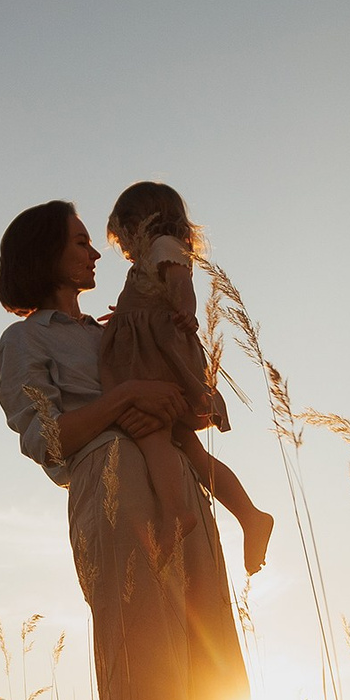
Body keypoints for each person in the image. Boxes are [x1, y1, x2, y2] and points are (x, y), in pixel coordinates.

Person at [0, 199, 250, 700]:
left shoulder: (115, 328)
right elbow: (48, 438)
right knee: (146, 680)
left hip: (181, 488)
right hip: (112, 486)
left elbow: (180, 399)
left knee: (218, 678)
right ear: (45, 254)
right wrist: (126, 399)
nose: (94, 252)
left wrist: (178, 392)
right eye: (80, 241)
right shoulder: (24, 339)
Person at [97, 181, 275, 577]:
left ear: (142, 222)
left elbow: (181, 284)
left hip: (157, 360)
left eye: (124, 237)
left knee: (151, 431)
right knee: (190, 448)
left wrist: (184, 311)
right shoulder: (152, 257)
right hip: (156, 354)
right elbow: (153, 297)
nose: (125, 248)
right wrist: (124, 315)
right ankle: (249, 515)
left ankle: (176, 513)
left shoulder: (164, 245)